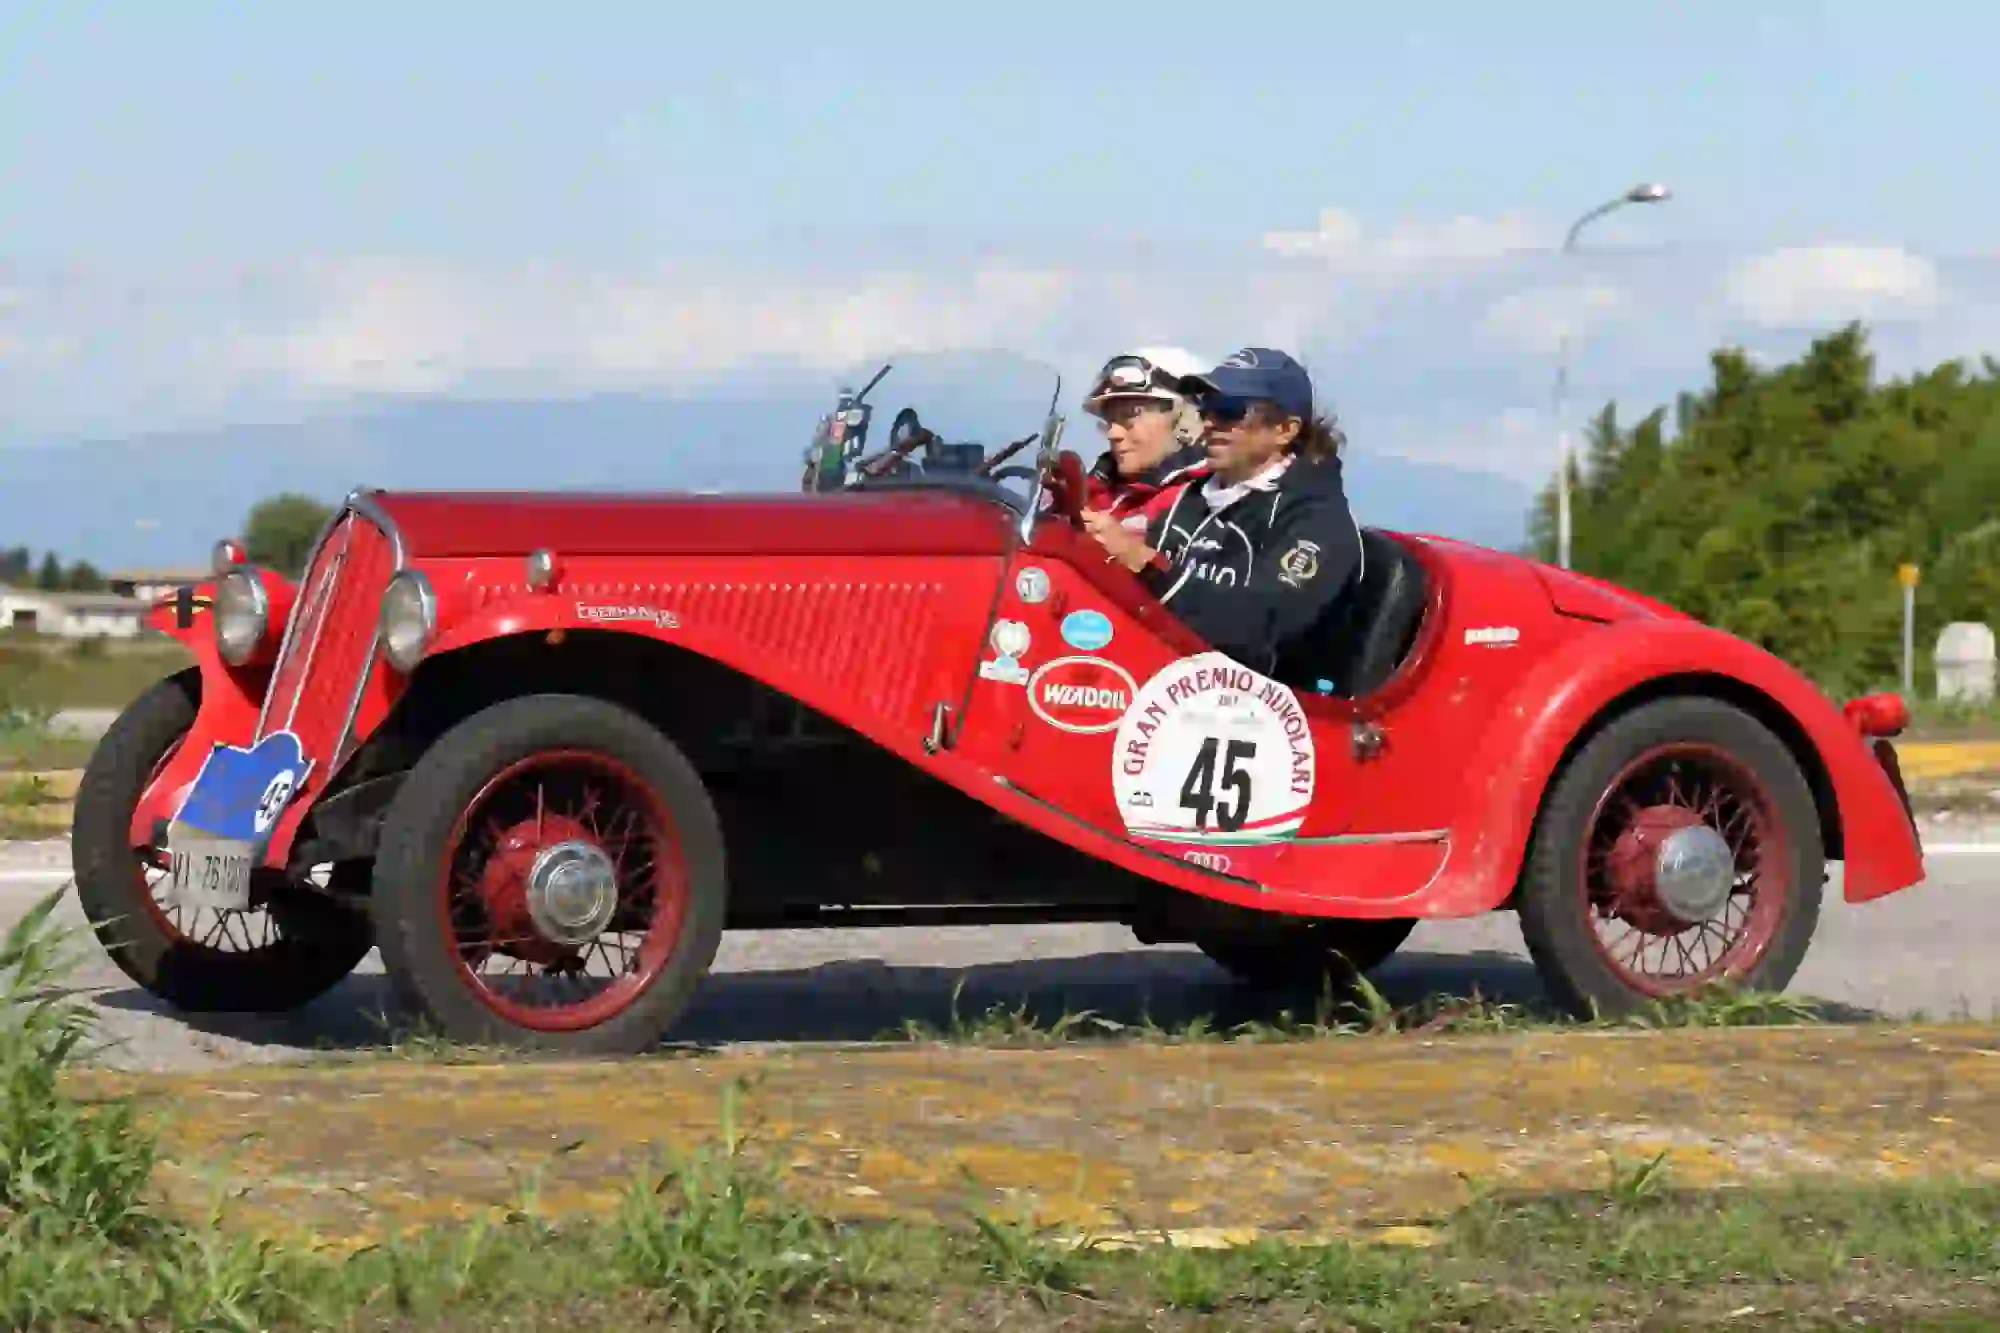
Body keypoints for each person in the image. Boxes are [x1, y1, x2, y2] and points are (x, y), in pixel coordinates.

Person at [1082, 347, 1363, 677]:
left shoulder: (1318, 521)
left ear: (1285, 430)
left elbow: (1260, 625)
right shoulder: (1192, 500)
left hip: (1264, 713)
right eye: (1206, 407)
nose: (1211, 422)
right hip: (1172, 691)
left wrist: (1142, 562)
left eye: (1230, 410)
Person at [1076, 346, 1209, 533]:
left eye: (1131, 414)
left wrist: (1127, 550)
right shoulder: (1087, 490)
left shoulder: (1208, 502)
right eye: (1109, 419)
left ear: (1185, 418)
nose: (1113, 433)